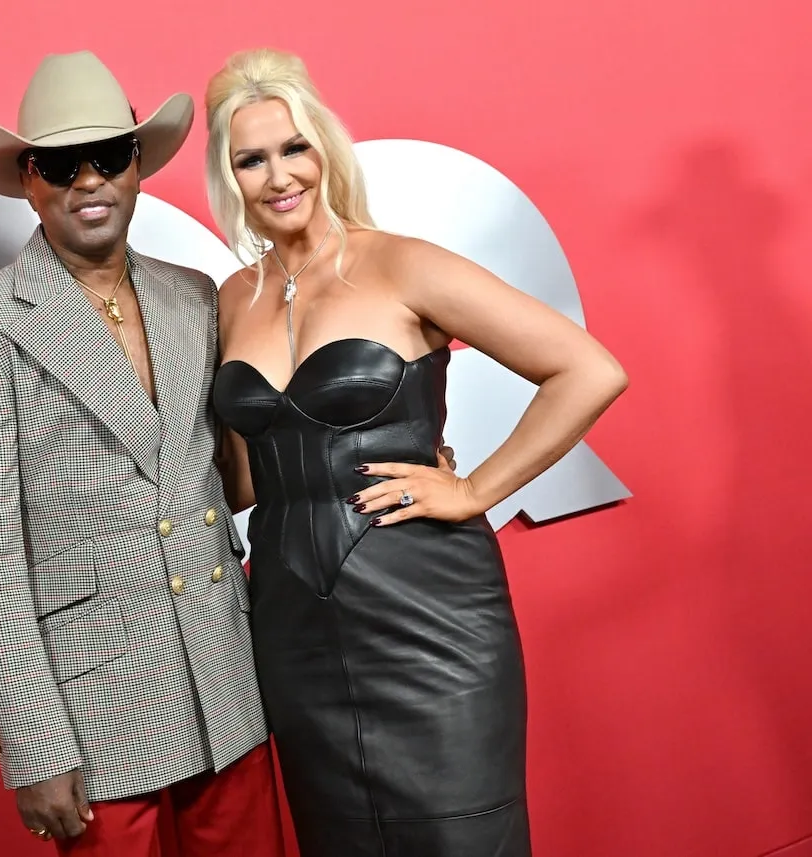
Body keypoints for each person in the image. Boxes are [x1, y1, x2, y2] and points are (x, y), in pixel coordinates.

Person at [204, 48, 629, 857]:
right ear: (230, 178)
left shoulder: (400, 262)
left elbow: (588, 369)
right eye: (249, 159)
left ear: (324, 148)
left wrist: (475, 490)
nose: (277, 176)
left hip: (428, 611)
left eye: (292, 147)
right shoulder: (229, 301)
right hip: (292, 623)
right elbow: (244, 480)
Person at [0, 51, 287, 856]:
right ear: (28, 178)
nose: (89, 181)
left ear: (139, 169)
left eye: (109, 157)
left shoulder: (195, 294)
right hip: (97, 711)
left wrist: (384, 444)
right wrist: (34, 743)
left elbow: (229, 473)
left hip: (228, 673)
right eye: (60, 163)